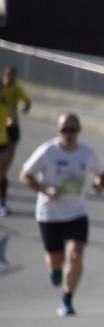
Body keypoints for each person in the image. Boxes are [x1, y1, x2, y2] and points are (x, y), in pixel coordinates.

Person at [19, 112, 104, 315]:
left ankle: (67, 299)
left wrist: (99, 183)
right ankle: (55, 268)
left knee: (76, 254)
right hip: (49, 213)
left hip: (77, 212)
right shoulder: (47, 151)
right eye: (64, 130)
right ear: (58, 131)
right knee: (55, 258)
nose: (68, 134)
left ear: (79, 131)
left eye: (72, 129)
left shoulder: (86, 153)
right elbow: (25, 175)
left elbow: (101, 174)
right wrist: (45, 190)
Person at [0, 66, 31, 216]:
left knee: (3, 170)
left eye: (11, 75)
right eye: (7, 75)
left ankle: (2, 202)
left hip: (6, 138)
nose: (9, 78)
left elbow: (27, 100)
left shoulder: (16, 91)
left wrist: (24, 108)